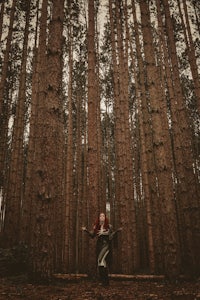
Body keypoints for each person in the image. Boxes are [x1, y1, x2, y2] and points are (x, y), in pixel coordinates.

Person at [82, 212, 121, 286]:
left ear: (105, 218)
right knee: (100, 263)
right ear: (99, 218)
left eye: (103, 216)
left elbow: (111, 236)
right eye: (100, 216)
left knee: (102, 261)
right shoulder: (97, 227)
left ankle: (105, 282)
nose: (102, 217)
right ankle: (104, 282)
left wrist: (116, 231)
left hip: (106, 246)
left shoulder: (109, 226)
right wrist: (86, 230)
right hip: (99, 246)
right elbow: (92, 235)